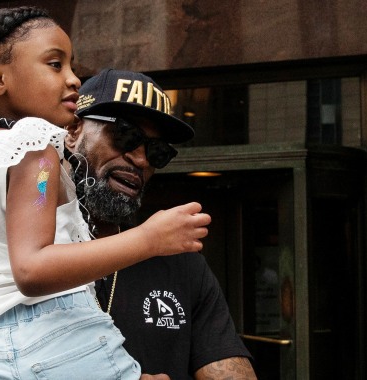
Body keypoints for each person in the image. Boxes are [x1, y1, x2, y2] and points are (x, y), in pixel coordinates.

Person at [0, 6, 209, 379]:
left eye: (72, 67)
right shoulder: (35, 150)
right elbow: (32, 268)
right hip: (58, 341)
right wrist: (149, 239)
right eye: (55, 65)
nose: (75, 80)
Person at [74, 69, 257, 379]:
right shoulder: (22, 250)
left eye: (157, 152)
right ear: (72, 131)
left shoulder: (182, 265)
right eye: (126, 135)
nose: (142, 160)